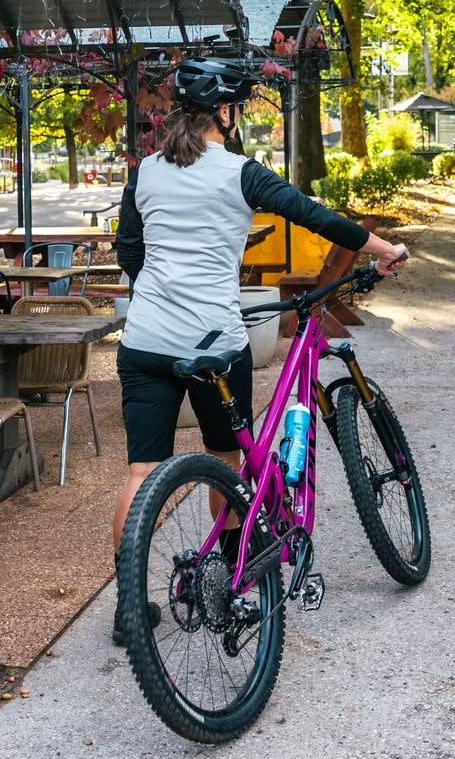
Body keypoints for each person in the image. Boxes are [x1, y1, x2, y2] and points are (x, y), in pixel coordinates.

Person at [110, 58, 408, 644]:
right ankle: (229, 572)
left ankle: (128, 610)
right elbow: (317, 217)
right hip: (214, 344)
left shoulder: (144, 173)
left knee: (142, 471)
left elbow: (129, 251)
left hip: (143, 340)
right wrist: (384, 248)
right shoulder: (240, 172)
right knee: (226, 457)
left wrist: (160, 293)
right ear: (227, 113)